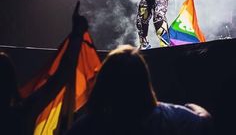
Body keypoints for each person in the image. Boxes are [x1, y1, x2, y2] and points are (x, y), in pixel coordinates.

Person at [66, 45, 212, 135]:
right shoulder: (172, 118)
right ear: (144, 79)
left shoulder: (89, 127)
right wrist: (193, 108)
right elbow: (204, 122)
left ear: (104, 82)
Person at [0, 1, 88, 135]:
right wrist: (76, 36)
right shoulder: (20, 115)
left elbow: (59, 78)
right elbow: (59, 78)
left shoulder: (20, 114)